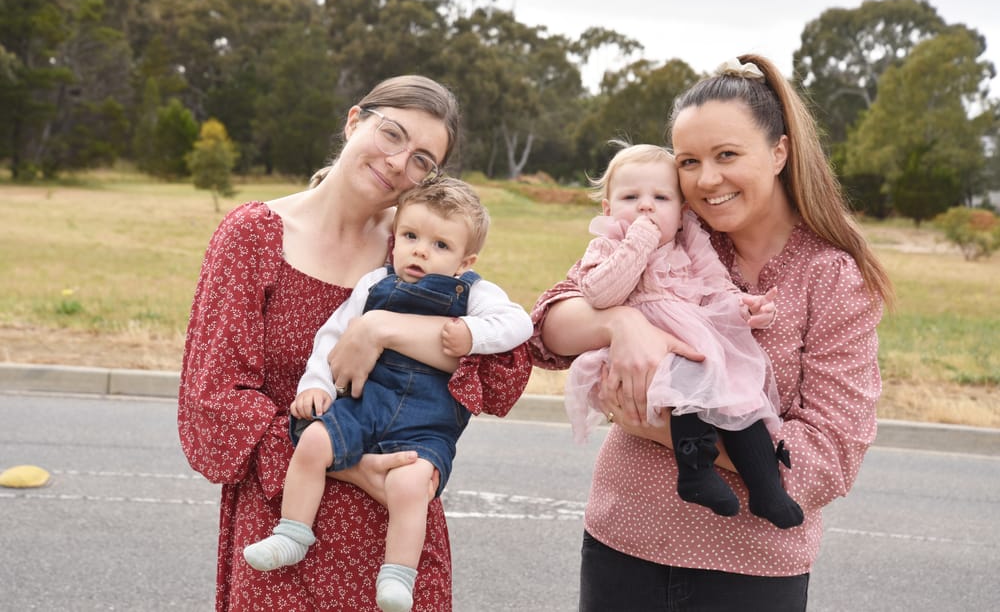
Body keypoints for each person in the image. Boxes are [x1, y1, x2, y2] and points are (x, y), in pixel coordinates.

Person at [530, 55, 893, 611]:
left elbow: (829, 459)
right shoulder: (672, 233)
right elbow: (548, 327)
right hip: (623, 541)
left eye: (727, 155)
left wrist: (659, 428)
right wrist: (620, 322)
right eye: (689, 162)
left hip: (753, 568)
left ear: (779, 151)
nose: (707, 179)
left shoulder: (832, 276)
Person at [177, 75, 532, 612]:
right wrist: (349, 463)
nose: (398, 163)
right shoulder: (254, 236)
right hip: (286, 535)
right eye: (392, 135)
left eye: (422, 160)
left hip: (399, 547)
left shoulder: (416, 240)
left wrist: (378, 329)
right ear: (353, 121)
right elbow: (213, 407)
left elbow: (500, 371)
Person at [242, 178, 533, 612]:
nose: (420, 251)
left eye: (439, 245)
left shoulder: (473, 293)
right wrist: (316, 387)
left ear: (464, 261)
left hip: (425, 424)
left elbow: (518, 324)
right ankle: (292, 531)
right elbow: (333, 336)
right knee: (313, 439)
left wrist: (471, 333)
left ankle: (398, 575)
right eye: (411, 237)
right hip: (365, 404)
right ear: (393, 240)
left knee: (412, 483)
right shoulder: (374, 283)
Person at [565, 142, 802, 529]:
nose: (645, 206)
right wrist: (638, 242)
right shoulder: (607, 244)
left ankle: (766, 487)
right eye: (630, 197)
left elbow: (715, 285)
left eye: (660, 197)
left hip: (696, 335)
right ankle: (695, 473)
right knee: (688, 384)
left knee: (740, 397)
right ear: (607, 209)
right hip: (645, 345)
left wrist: (744, 308)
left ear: (681, 213)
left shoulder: (690, 242)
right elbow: (599, 292)